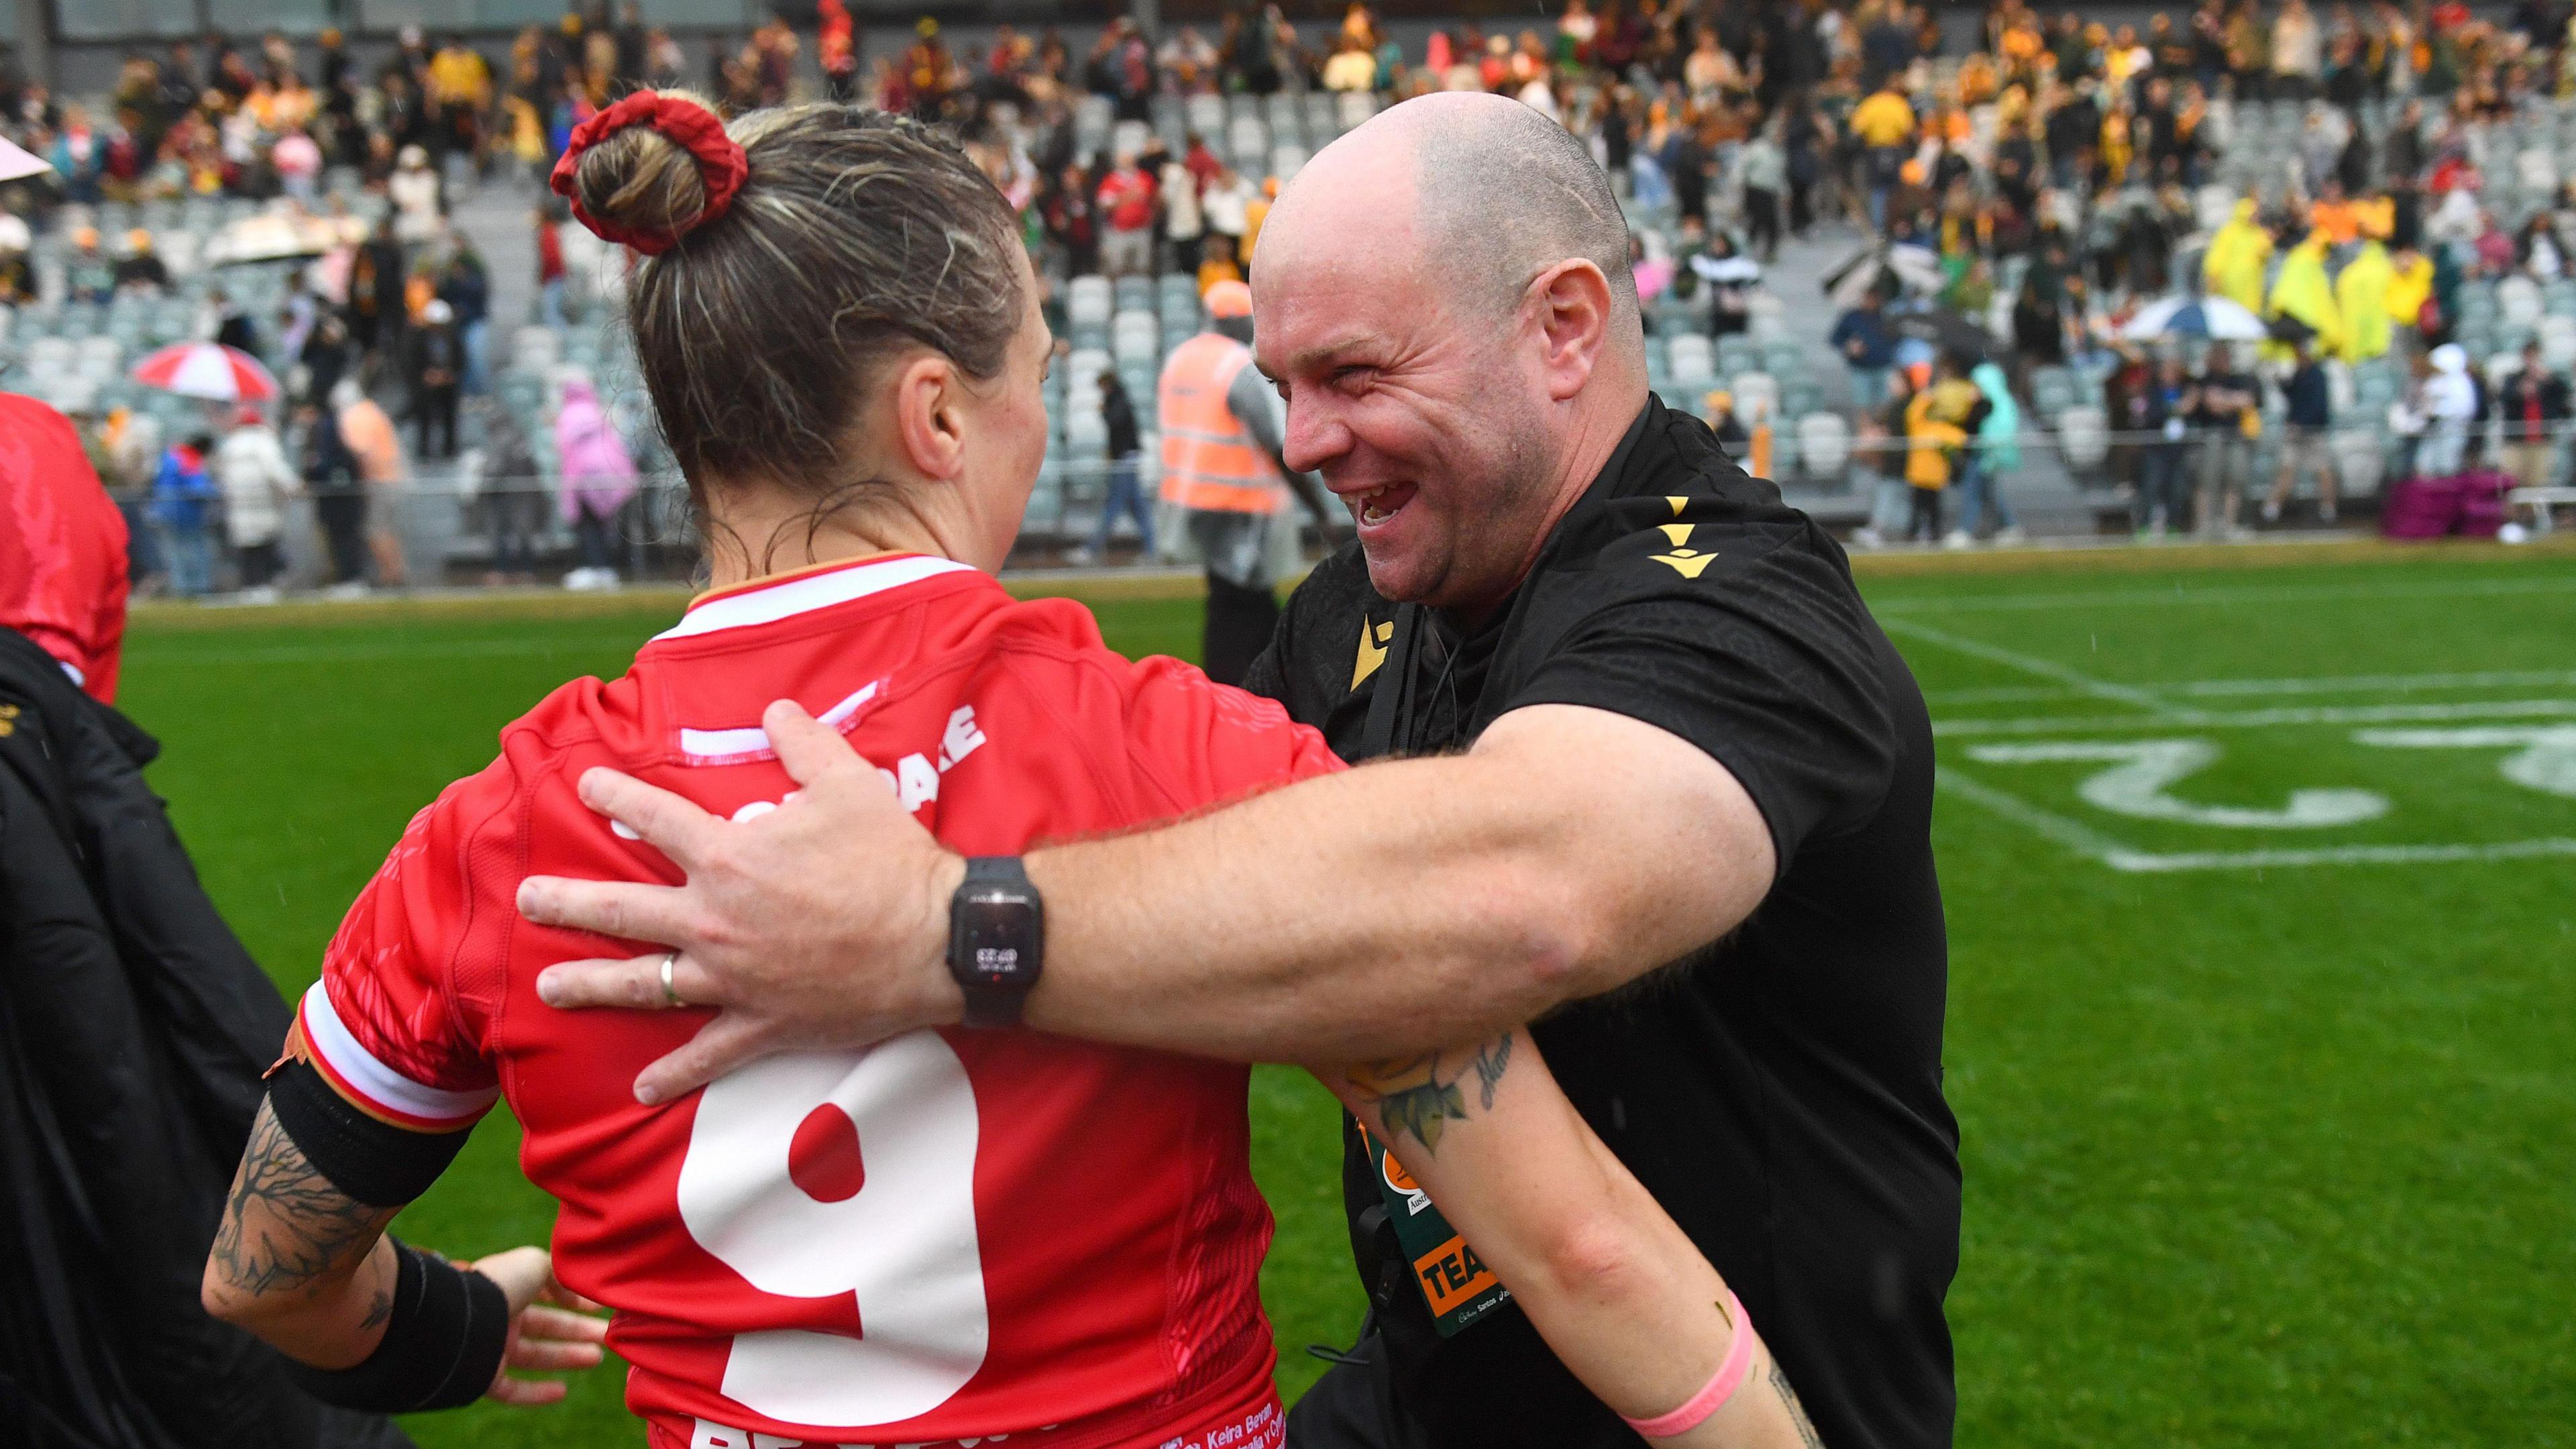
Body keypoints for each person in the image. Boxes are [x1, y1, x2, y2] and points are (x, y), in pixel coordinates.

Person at [203, 94, 1826, 1449]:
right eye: (1033, 374)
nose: (1039, 422)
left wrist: (444, 1328)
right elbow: (1580, 1241)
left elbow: (265, 1273)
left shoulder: (498, 835)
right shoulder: (1196, 755)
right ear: (935, 413)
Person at [1156, 278, 1341, 685]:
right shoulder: (1236, 366)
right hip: (1239, 504)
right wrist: (1318, 509)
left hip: (1193, 501)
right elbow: (1277, 445)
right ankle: (1237, 690)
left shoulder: (1181, 358)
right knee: (1240, 607)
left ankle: (1265, 680)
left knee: (1237, 602)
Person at [552, 372, 633, 590]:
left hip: (584, 480)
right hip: (608, 478)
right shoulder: (597, 413)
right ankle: (603, 566)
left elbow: (567, 452)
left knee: (588, 526)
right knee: (601, 526)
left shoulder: (569, 415)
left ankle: (597, 567)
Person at [213, 408, 300, 602]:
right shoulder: (265, 441)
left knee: (247, 548)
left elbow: (221, 475)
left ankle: (251, 585)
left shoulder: (230, 445)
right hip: (264, 502)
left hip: (239, 504)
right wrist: (293, 486)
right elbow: (276, 470)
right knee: (265, 544)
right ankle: (264, 585)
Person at [333, 380, 409, 588]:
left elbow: (363, 453)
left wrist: (363, 481)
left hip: (378, 481)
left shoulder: (354, 417)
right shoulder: (372, 411)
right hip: (392, 476)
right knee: (387, 528)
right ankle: (397, 572)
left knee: (376, 530)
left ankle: (390, 575)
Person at [297, 396, 369, 596]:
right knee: (339, 540)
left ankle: (350, 579)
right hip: (335, 498)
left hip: (340, 498)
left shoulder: (327, 430)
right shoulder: (325, 430)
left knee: (345, 539)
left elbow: (327, 464)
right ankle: (345, 578)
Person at [2188, 342, 2261, 538]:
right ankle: (2204, 525)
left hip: (2235, 436)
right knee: (2207, 481)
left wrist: (2224, 400)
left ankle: (2229, 525)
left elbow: (2246, 401)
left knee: (2234, 481)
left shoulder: (2239, 379)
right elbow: (2211, 404)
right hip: (2211, 437)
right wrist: (2231, 401)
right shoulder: (2203, 380)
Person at [2264, 337, 2339, 525]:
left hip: (2313, 432)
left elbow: (2318, 407)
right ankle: (2272, 509)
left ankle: (2328, 508)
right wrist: (2279, 381)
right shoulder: (2299, 374)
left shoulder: (2317, 376)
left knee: (2322, 469)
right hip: (2296, 431)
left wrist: (2302, 423)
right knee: (2287, 467)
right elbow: (2292, 395)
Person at [1082, 369, 1153, 561]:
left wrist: (1104, 412)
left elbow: (1116, 423)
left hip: (1125, 460)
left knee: (1113, 505)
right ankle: (1152, 550)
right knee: (1138, 508)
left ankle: (1093, 550)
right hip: (1125, 458)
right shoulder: (1119, 400)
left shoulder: (1119, 402)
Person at [1954, 357, 2025, 545]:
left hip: (1988, 454)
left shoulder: (1997, 403)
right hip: (1982, 453)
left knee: (1974, 491)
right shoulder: (1988, 402)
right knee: (1986, 493)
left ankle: (1965, 530)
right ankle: (2009, 527)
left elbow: (1999, 431)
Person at [2495, 340, 2570, 495]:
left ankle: (2532, 516)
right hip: (2516, 439)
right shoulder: (2513, 379)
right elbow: (2504, 398)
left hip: (2540, 439)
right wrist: (2520, 392)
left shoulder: (2549, 381)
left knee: (2537, 483)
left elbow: (2563, 398)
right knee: (2512, 481)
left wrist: (2548, 379)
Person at [151, 432, 220, 598]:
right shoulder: (188, 458)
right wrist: (216, 491)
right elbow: (197, 488)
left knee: (174, 554)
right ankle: (196, 589)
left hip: (165, 512)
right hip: (185, 515)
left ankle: (181, 589)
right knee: (195, 553)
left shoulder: (171, 455)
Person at [2132, 355, 2192, 539]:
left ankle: (2173, 526)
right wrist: (2176, 408)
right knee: (2151, 487)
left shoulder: (2185, 391)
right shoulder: (2152, 392)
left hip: (2177, 449)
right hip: (2156, 448)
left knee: (2177, 489)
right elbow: (2152, 415)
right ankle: (2144, 527)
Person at [406, 297, 464, 460]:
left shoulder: (453, 337)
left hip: (448, 385)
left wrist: (449, 374)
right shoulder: (418, 339)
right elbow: (412, 361)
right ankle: (424, 450)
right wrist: (426, 375)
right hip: (427, 386)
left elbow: (461, 359)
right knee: (424, 419)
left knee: (449, 418)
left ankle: (450, 450)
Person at [1828, 286, 1896, 412]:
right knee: (1862, 403)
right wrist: (1848, 346)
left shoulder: (1887, 317)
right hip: (1860, 368)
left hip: (1884, 365)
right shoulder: (1852, 317)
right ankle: (1864, 428)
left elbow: (1897, 339)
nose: (1872, 301)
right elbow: (1835, 339)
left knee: (1885, 402)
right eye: (1869, 297)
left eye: (1875, 298)